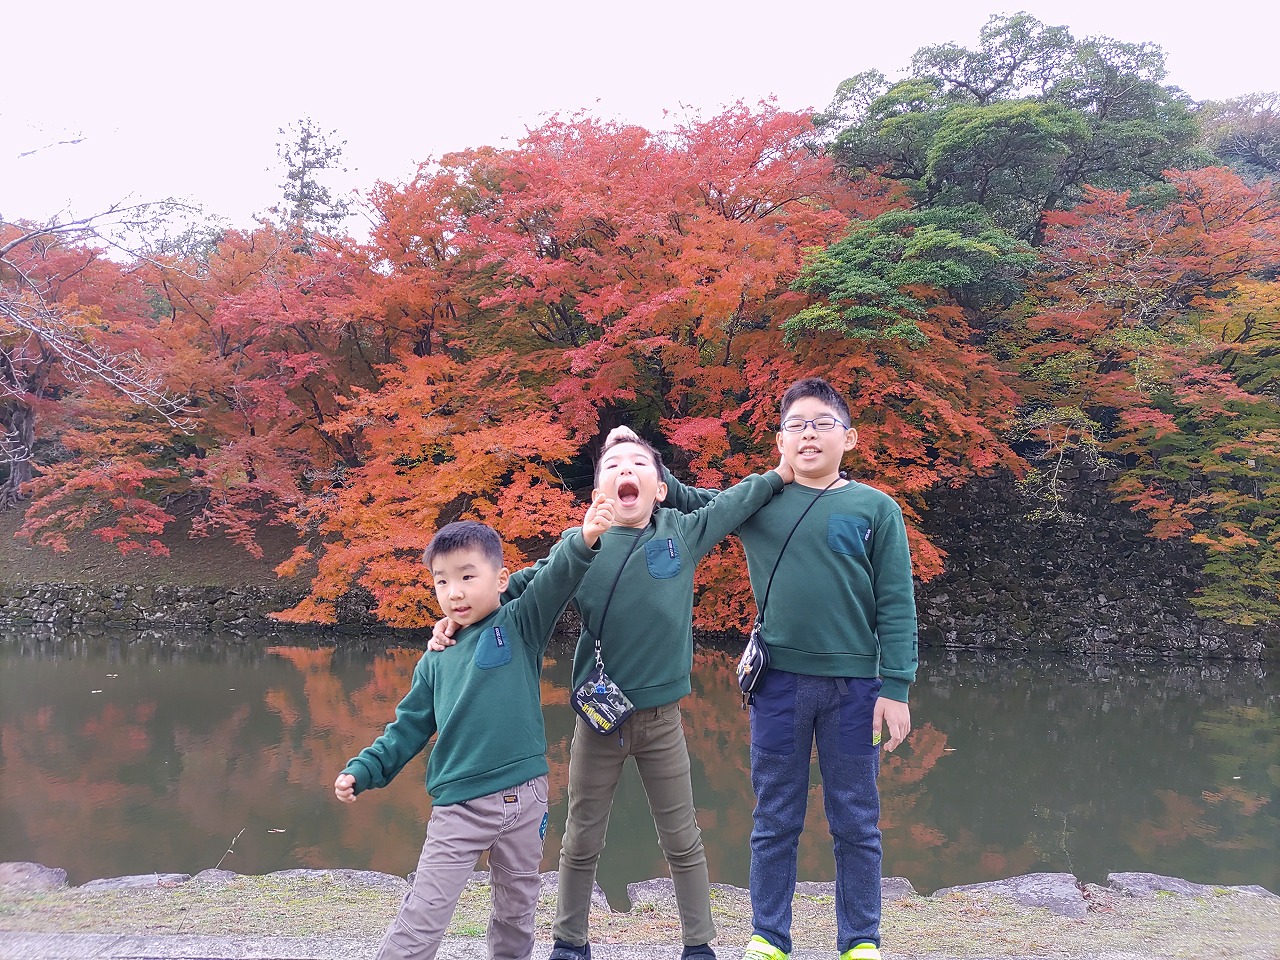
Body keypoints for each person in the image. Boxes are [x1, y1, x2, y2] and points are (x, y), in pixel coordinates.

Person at [433, 432, 792, 960]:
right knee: (581, 838)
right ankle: (569, 942)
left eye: (639, 463)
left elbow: (736, 501)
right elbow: (518, 587)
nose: (626, 470)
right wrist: (454, 619)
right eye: (613, 465)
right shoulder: (580, 543)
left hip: (661, 719)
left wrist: (782, 473)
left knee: (683, 838)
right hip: (597, 721)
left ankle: (698, 945)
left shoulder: (683, 532)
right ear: (598, 490)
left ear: (661, 488)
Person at [661, 377, 917, 960]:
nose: (808, 434)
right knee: (775, 816)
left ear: (848, 437)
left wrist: (896, 687)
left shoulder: (876, 508)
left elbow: (897, 604)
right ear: (780, 439)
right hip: (779, 684)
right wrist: (639, 461)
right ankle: (769, 936)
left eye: (821, 423)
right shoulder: (760, 502)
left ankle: (860, 940)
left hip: (857, 688)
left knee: (856, 819)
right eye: (795, 424)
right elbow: (690, 501)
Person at [334, 496, 614, 960]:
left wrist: (585, 539)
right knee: (424, 913)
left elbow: (555, 578)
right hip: (458, 807)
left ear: (501, 580)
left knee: (516, 913)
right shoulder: (435, 660)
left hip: (526, 799)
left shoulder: (520, 623)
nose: (455, 592)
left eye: (467, 576)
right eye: (442, 581)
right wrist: (363, 770)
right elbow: (407, 728)